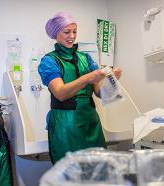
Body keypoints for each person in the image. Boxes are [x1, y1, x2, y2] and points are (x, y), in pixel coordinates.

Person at [38, 12, 122, 164]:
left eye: (74, 32)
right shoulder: (49, 61)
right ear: (56, 33)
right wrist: (88, 77)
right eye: (66, 32)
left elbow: (99, 92)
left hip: (91, 121)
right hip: (66, 124)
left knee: (98, 169)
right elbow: (60, 93)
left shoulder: (86, 58)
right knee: (71, 172)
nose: (72, 36)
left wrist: (112, 79)